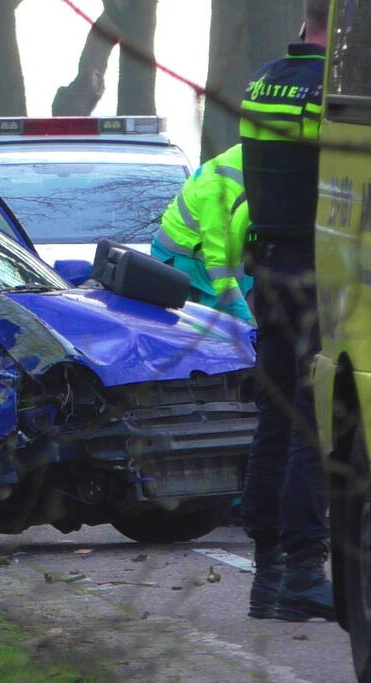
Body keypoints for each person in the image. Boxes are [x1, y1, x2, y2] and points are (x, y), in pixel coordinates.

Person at [239, 0, 332, 622]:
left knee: (275, 420)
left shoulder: (263, 82)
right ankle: (304, 568)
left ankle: (268, 574)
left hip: (267, 268)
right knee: (311, 420)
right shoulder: (329, 93)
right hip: (314, 269)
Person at [151, 143, 254, 323]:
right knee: (204, 330)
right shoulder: (216, 190)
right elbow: (217, 261)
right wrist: (244, 316)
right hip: (186, 268)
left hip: (211, 262)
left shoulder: (248, 161)